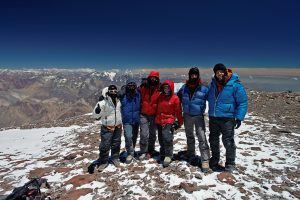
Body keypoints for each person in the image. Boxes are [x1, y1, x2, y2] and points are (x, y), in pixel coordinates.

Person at [207, 63, 248, 173]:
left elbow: (242, 102)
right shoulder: (212, 84)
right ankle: (215, 159)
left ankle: (230, 163)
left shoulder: (235, 85)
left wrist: (239, 117)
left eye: (221, 71)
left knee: (228, 141)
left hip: (228, 118)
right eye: (217, 72)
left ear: (225, 72)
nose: (219, 73)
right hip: (214, 117)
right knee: (213, 139)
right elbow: (206, 96)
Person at [177, 67, 211, 172]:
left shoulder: (204, 89)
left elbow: (213, 99)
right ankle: (191, 154)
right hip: (187, 115)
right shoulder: (184, 88)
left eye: (196, 75)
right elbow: (176, 98)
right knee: (189, 136)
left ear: (198, 75)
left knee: (201, 137)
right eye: (192, 75)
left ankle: (205, 159)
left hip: (198, 116)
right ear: (189, 75)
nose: (194, 76)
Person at [92, 85, 123, 172]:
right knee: (105, 145)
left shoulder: (119, 100)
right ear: (108, 91)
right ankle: (103, 162)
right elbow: (95, 115)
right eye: (111, 91)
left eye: (115, 91)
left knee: (116, 143)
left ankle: (115, 158)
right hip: (107, 127)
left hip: (118, 126)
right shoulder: (103, 102)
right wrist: (97, 112)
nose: (113, 93)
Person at [155, 80, 183, 167]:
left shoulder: (175, 98)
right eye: (164, 87)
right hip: (159, 120)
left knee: (167, 137)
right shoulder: (160, 96)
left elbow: (178, 111)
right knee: (160, 138)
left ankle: (168, 155)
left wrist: (180, 122)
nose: (166, 89)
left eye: (168, 88)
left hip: (169, 120)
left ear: (171, 88)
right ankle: (163, 153)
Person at [139, 71, 161, 159]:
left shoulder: (159, 89)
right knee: (144, 134)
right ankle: (143, 151)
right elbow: (134, 92)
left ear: (157, 79)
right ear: (149, 78)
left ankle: (150, 150)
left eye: (155, 78)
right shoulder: (143, 88)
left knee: (152, 134)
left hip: (153, 114)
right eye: (152, 77)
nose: (153, 79)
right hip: (143, 114)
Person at [118, 78, 141, 164]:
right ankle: (130, 153)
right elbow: (113, 97)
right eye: (129, 85)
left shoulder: (138, 94)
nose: (131, 86)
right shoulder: (123, 95)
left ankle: (132, 150)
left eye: (133, 85)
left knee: (134, 137)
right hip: (127, 120)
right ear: (127, 86)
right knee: (128, 136)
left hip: (136, 119)